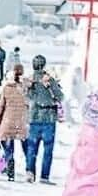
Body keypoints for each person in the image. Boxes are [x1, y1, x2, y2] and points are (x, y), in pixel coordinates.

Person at [25, 54, 65, 183]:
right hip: (48, 118)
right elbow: (60, 96)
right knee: (47, 149)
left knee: (32, 148)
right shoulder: (49, 79)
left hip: (34, 117)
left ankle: (30, 172)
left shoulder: (29, 81)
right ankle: (44, 176)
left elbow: (26, 97)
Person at [0, 66, 29, 180]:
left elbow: (0, 107)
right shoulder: (27, 88)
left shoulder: (7, 88)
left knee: (8, 150)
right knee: (28, 150)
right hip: (22, 123)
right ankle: (30, 170)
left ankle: (10, 173)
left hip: (8, 122)